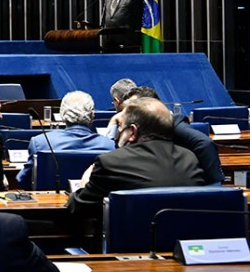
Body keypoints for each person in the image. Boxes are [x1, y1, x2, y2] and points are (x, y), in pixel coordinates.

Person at [67, 96, 206, 218]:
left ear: (132, 132)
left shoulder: (111, 162)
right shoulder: (190, 159)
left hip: (125, 247)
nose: (119, 132)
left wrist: (84, 183)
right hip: (178, 245)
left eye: (120, 126)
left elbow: (78, 208)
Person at [124, 86, 224, 185]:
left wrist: (210, 186)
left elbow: (205, 144)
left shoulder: (175, 125)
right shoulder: (136, 128)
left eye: (133, 109)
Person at [16, 90, 115, 189]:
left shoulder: (40, 143)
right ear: (92, 115)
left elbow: (23, 181)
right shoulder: (111, 146)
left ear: (62, 114)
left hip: (52, 203)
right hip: (94, 203)